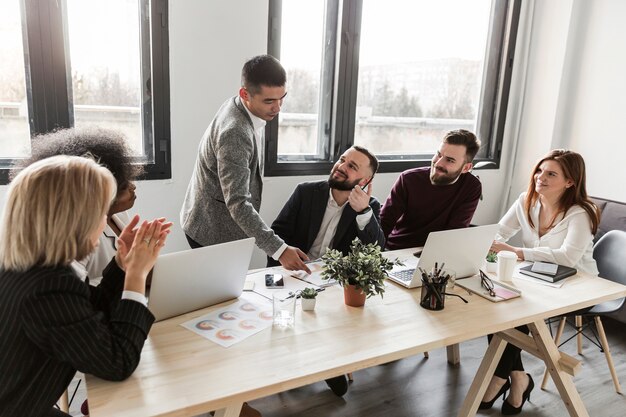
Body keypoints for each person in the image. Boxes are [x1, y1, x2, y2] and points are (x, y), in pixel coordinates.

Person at [0, 155, 168, 417]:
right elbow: (118, 362)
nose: (104, 223)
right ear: (73, 221)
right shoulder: (47, 289)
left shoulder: (31, 267)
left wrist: (122, 265)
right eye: (100, 213)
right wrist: (137, 274)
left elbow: (87, 312)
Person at [481, 149, 600, 415]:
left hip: (579, 286)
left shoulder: (580, 212)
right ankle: (518, 378)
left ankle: (499, 378)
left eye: (551, 174)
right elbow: (501, 231)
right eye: (539, 170)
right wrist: (486, 242)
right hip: (536, 279)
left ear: (570, 181)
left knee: (515, 311)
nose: (540, 177)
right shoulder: (526, 200)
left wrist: (518, 252)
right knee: (498, 302)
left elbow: (568, 258)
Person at [268, 145, 384, 397]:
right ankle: (292, 363)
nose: (341, 166)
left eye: (352, 166)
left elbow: (375, 251)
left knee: (330, 317)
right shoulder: (306, 192)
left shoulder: (370, 206)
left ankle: (326, 365)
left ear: (364, 181)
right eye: (342, 160)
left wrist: (363, 212)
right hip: (290, 272)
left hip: (330, 283)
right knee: (280, 315)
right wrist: (284, 253)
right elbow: (277, 232)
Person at [181, 54, 310, 274]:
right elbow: (238, 202)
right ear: (245, 94)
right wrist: (278, 249)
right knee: (222, 297)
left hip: (207, 216)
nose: (278, 108)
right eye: (269, 101)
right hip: (211, 230)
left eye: (282, 98)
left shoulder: (240, 105)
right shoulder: (235, 132)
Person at [12, 127, 143, 285]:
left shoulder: (120, 216)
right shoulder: (67, 247)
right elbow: (86, 296)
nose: (132, 186)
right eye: (122, 185)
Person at [379, 129, 482, 250]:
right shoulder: (408, 179)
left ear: (466, 168)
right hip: (398, 250)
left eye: (449, 160)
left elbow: (453, 234)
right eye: (439, 154)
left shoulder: (472, 187)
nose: (438, 163)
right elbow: (384, 224)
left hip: (436, 252)